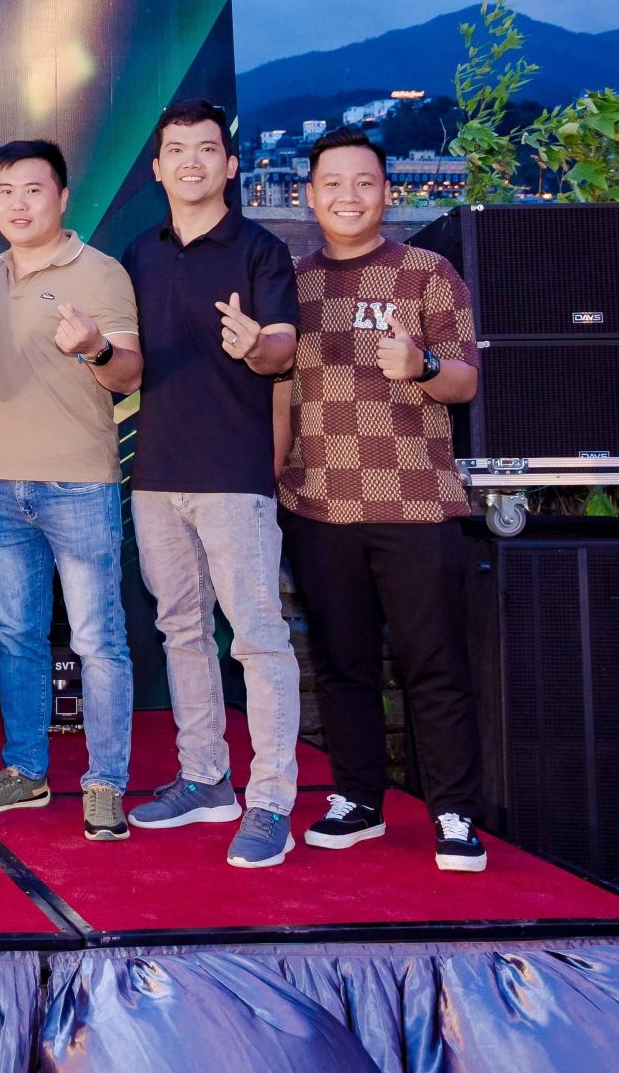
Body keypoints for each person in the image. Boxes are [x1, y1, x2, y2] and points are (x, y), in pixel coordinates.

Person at [281, 128, 488, 873]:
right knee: (343, 665)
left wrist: (421, 364)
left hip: (415, 502)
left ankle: (456, 815)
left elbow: (465, 380)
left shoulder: (428, 271)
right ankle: (358, 800)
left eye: (364, 182)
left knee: (435, 666)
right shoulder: (291, 283)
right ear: (309, 196)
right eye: (332, 183)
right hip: (319, 504)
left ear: (387, 194)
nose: (348, 196)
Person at [121, 98, 305, 868]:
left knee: (257, 636)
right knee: (181, 630)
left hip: (234, 477)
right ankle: (204, 777)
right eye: (176, 149)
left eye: (206, 148)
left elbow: (283, 348)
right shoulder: (138, 254)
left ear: (230, 165)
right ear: (157, 167)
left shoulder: (261, 250)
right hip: (156, 476)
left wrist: (256, 343)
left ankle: (271, 801)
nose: (191, 160)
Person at [0, 139, 144, 842]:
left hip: (79, 484)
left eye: (33, 189)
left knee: (98, 640)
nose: (18, 203)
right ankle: (25, 771)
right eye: (5, 190)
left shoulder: (100, 272)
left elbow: (128, 373)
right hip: (1, 486)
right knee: (16, 636)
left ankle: (105, 783)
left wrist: (95, 346)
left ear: (62, 198)